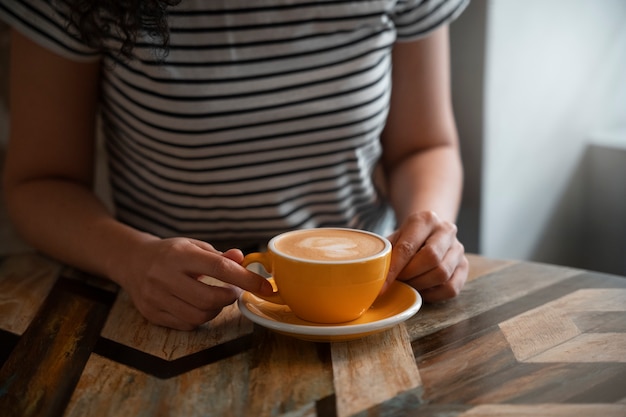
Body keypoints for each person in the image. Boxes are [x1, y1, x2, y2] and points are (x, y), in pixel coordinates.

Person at [0, 0, 470, 330]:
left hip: (370, 300)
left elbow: (423, 146)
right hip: (164, 309)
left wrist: (427, 231)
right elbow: (39, 182)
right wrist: (130, 258)